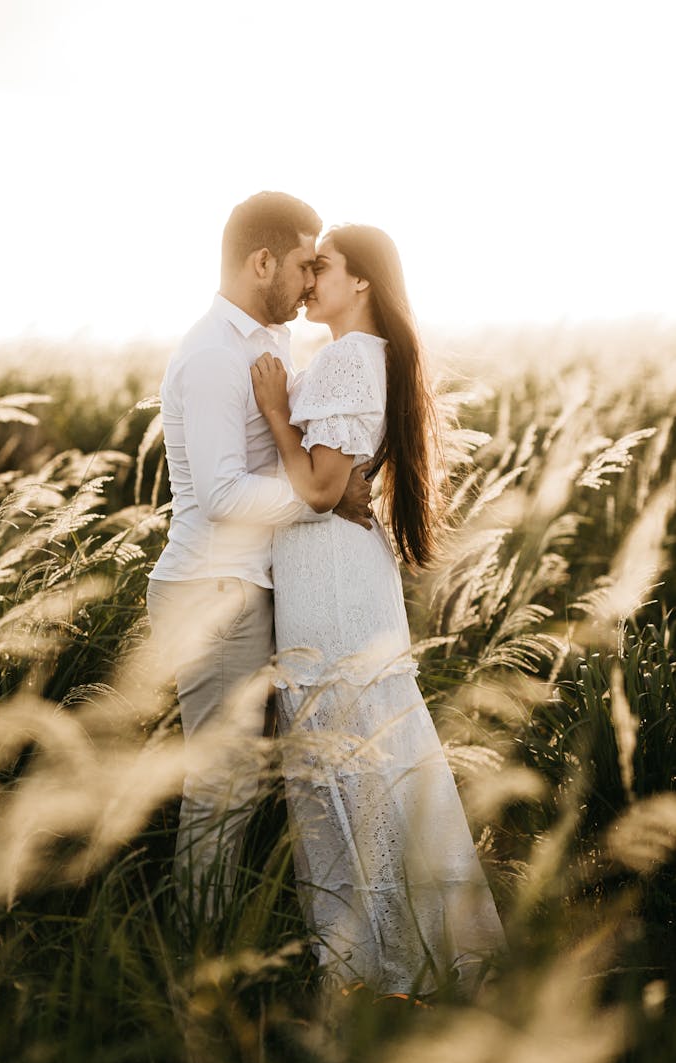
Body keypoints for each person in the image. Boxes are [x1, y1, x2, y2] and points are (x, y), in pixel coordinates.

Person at [250, 224, 507, 997]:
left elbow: (324, 488)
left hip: (331, 587)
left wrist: (271, 408)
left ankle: (381, 965)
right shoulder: (373, 358)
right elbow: (341, 478)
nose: (310, 280)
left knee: (348, 763)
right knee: (378, 758)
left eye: (323, 266)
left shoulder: (343, 359)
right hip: (346, 578)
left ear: (361, 282)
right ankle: (410, 956)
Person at [146, 193, 373, 918]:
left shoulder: (266, 345)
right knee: (223, 790)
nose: (311, 283)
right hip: (212, 591)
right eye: (305, 264)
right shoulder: (214, 354)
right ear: (262, 260)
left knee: (243, 785)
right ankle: (197, 961)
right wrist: (321, 495)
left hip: (242, 585)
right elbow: (218, 493)